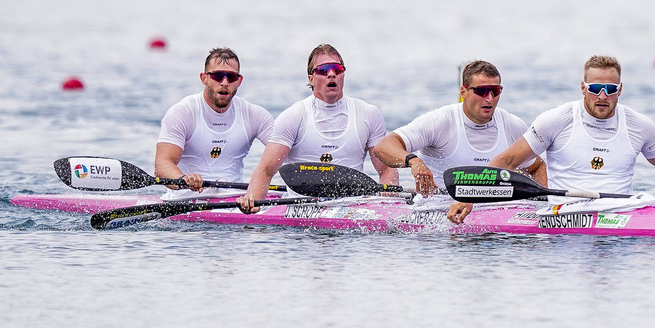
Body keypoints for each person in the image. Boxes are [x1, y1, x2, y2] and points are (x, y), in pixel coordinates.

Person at [447, 55, 655, 223]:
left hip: (624, 212)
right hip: (566, 214)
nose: (602, 96)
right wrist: (472, 198)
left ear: (620, 89)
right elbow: (507, 161)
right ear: (583, 87)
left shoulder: (639, 125)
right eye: (596, 87)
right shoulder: (557, 120)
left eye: (610, 89)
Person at [237, 44, 396, 213]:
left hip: (352, 210)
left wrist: (388, 205)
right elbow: (265, 171)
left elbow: (386, 169)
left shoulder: (368, 114)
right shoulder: (293, 116)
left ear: (343, 74)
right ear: (311, 78)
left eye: (337, 69)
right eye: (323, 70)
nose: (331, 74)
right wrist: (253, 207)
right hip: (302, 211)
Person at [374, 60, 545, 198]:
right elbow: (383, 147)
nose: (490, 98)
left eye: (495, 91)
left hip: (495, 212)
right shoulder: (440, 122)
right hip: (439, 213)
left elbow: (536, 166)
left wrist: (541, 203)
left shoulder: (512, 125)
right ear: (464, 92)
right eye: (482, 91)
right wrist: (414, 161)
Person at [155, 47, 274, 199]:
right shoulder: (183, 112)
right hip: (185, 199)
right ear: (204, 78)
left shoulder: (254, 115)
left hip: (235, 200)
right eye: (218, 76)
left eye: (231, 77)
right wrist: (182, 179)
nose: (224, 82)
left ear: (239, 81)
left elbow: (284, 154)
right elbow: (162, 164)